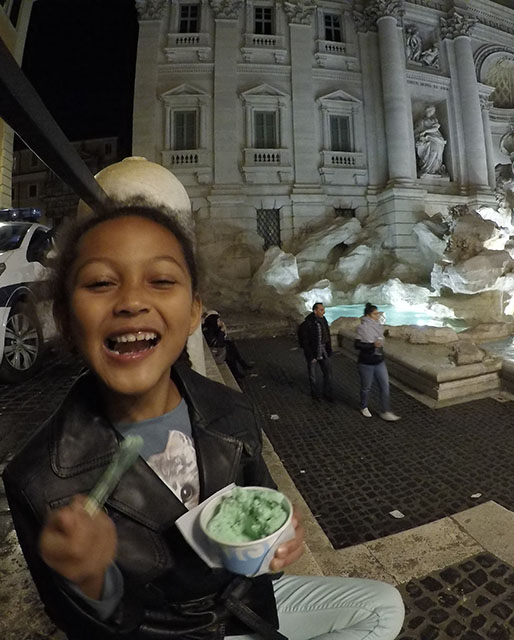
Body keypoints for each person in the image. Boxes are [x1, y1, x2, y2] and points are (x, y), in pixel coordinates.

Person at [2, 206, 405, 640]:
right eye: (101, 282)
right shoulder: (39, 480)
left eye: (161, 280)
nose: (133, 301)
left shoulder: (231, 409)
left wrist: (279, 539)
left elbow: (264, 502)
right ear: (64, 318)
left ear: (194, 312)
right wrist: (92, 583)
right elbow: (80, 625)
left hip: (247, 601)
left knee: (383, 605)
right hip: (167, 631)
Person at [355, 303, 400, 422]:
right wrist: (372, 345)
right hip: (366, 363)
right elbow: (357, 344)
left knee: (385, 386)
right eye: (375, 313)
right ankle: (363, 406)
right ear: (369, 315)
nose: (377, 315)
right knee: (366, 387)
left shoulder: (378, 326)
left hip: (379, 361)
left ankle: (385, 410)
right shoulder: (362, 328)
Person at [297, 302, 334, 401]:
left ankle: (327, 393)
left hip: (323, 350)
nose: (324, 311)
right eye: (321, 310)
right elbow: (304, 341)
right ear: (315, 311)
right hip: (313, 352)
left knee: (327, 372)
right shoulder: (307, 324)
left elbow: (327, 335)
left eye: (323, 309)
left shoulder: (323, 320)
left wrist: (328, 348)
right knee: (313, 375)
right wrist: (310, 355)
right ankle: (315, 393)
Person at [202, 309, 252, 379]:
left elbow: (223, 338)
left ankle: (241, 364)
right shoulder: (207, 330)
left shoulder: (213, 328)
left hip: (216, 349)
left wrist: (223, 330)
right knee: (229, 352)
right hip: (214, 352)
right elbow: (217, 343)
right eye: (218, 320)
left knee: (230, 344)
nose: (220, 322)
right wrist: (222, 332)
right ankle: (236, 372)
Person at [414, 106, 447, 178]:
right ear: (427, 111)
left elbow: (435, 128)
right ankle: (427, 169)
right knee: (433, 151)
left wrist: (426, 131)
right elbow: (417, 131)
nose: (432, 113)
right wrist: (421, 135)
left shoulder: (434, 120)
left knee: (438, 152)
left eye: (433, 111)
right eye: (431, 111)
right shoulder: (421, 121)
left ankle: (435, 170)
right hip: (427, 139)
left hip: (436, 138)